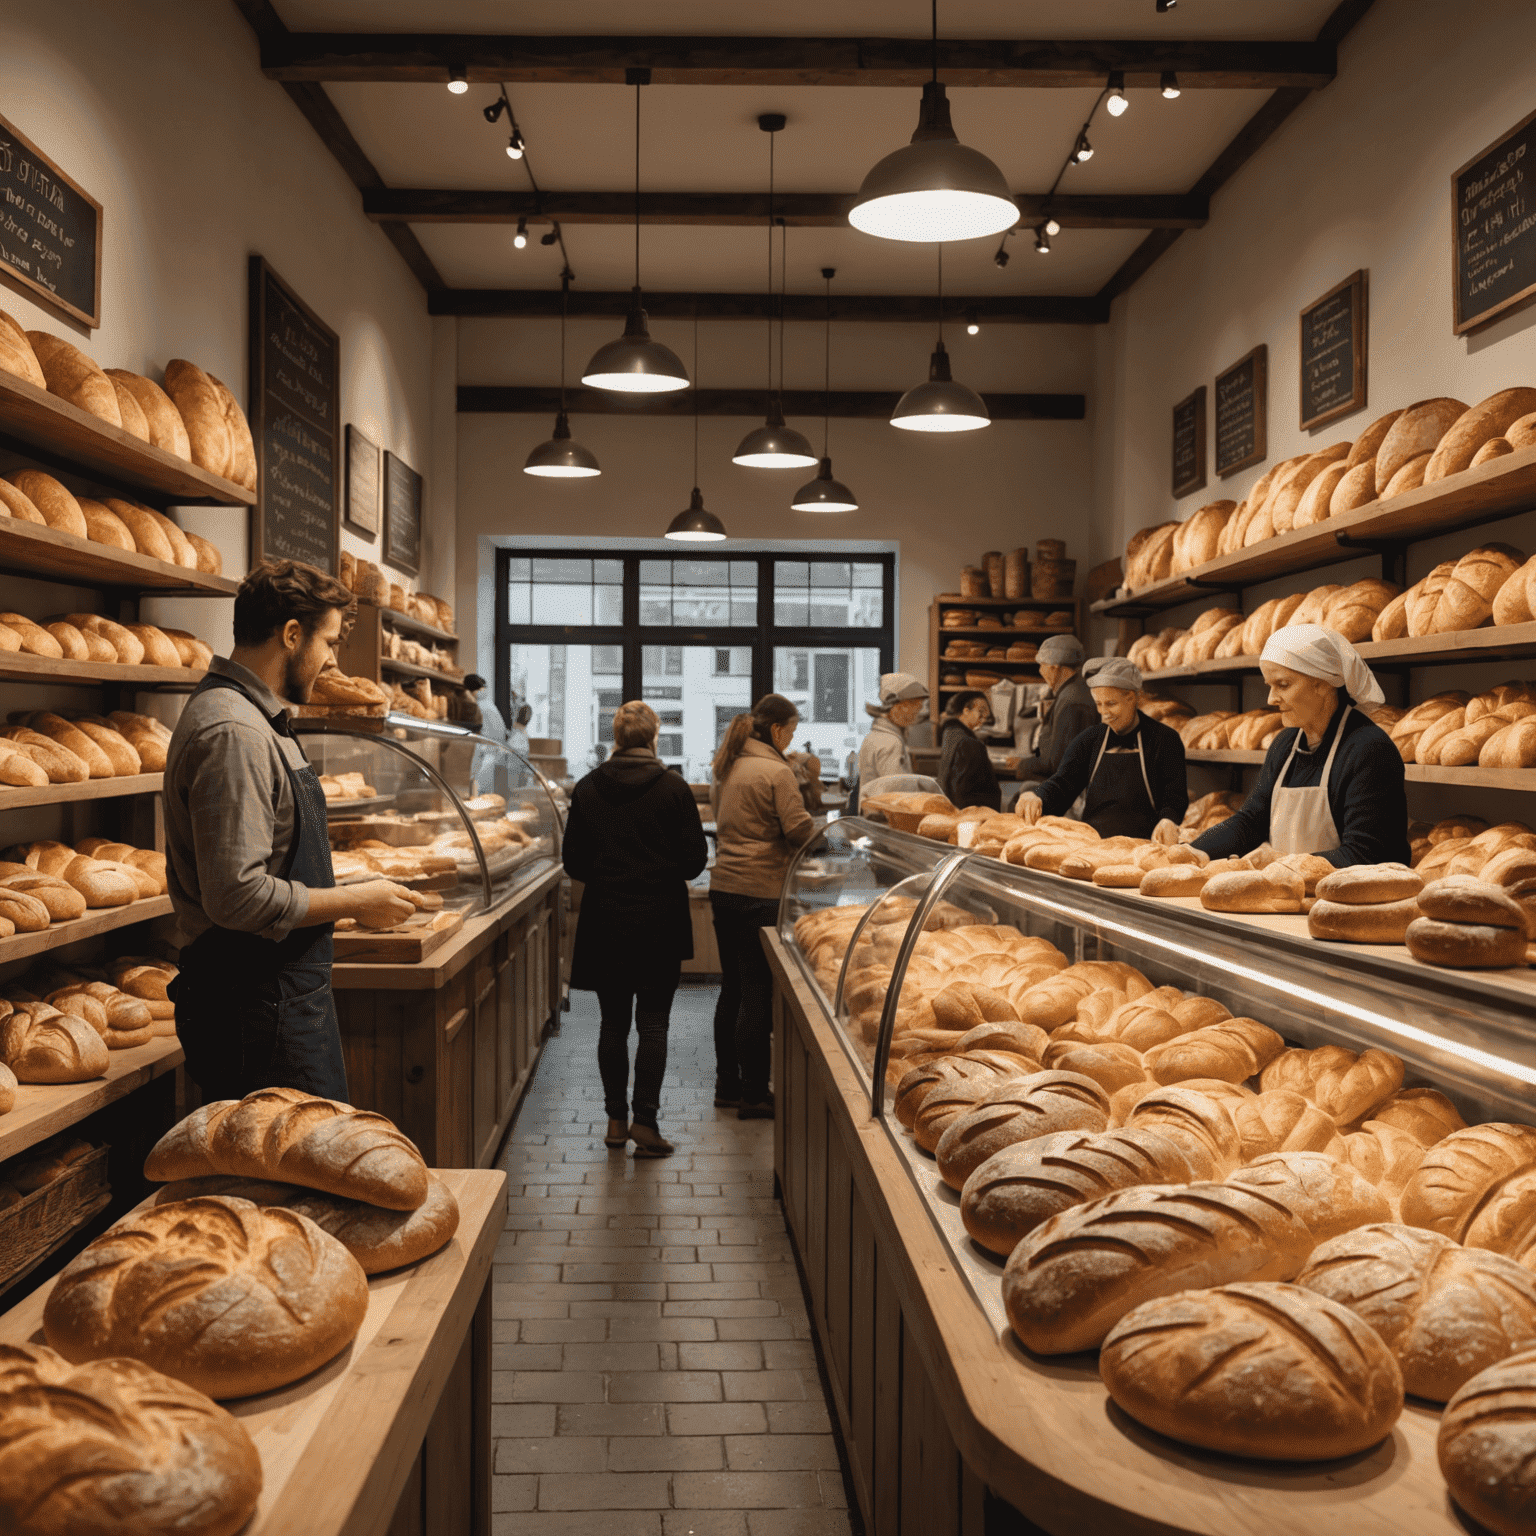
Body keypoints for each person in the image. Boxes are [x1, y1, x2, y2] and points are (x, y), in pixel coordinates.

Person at [164, 559, 417, 1104]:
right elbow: (236, 896)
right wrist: (354, 901)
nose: (332, 659)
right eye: (328, 641)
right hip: (255, 1007)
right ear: (291, 634)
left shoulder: (256, 719)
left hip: (276, 999)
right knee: (281, 1180)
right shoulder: (235, 731)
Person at [561, 701, 708, 1157]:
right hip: (659, 919)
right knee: (654, 1024)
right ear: (653, 738)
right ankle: (646, 1123)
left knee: (612, 1023)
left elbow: (574, 863)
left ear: (617, 737)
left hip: (606, 917)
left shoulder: (587, 789)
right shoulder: (674, 789)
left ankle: (614, 1121)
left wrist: (611, 870)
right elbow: (694, 862)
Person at [1193, 624, 1409, 867]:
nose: (1271, 699)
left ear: (1324, 683)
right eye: (1270, 686)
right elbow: (1250, 822)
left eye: (1283, 685)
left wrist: (1284, 864)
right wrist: (1192, 852)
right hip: (1292, 892)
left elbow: (1367, 855)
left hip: (1350, 900)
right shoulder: (1285, 745)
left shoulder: (1368, 750)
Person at [710, 694, 818, 1118]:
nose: (792, 739)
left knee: (732, 988)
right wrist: (826, 836)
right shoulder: (776, 770)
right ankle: (755, 1094)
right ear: (777, 730)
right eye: (791, 731)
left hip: (726, 888)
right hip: (762, 891)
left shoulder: (728, 764)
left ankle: (728, 1084)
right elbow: (797, 831)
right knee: (757, 991)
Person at [1017, 657, 1187, 840]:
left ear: (1132, 698)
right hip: (1093, 845)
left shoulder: (1165, 739)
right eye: (1099, 704)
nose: (1104, 714)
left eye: (1111, 704)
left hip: (1145, 846)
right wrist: (1038, 796)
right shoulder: (1089, 739)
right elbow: (1063, 783)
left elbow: (1174, 795)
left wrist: (1168, 820)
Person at [1012, 635, 1096, 796]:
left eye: (1042, 665)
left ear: (1054, 667)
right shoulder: (1074, 691)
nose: (1040, 671)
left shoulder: (1072, 701)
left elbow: (1058, 763)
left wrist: (1023, 765)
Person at [854, 672, 928, 807]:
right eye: (913, 705)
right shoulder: (890, 743)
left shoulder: (875, 736)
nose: (917, 711)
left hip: (873, 814)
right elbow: (898, 790)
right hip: (883, 817)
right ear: (896, 706)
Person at [937, 691, 1001, 811]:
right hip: (973, 815)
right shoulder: (968, 743)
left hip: (952, 810)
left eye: (986, 714)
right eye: (981, 712)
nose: (984, 718)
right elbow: (962, 791)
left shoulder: (950, 733)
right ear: (966, 710)